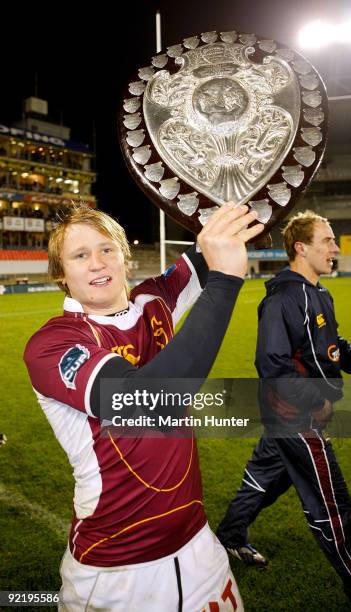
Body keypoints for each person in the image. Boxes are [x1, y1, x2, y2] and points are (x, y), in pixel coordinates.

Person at [24, 201, 263, 612]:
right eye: (80, 256)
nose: (97, 263)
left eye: (107, 249)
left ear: (125, 256)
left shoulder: (155, 297)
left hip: (199, 549)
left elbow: (222, 232)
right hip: (116, 569)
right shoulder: (53, 345)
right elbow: (152, 401)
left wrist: (255, 196)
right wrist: (225, 281)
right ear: (61, 274)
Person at [217, 210, 351, 600]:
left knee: (265, 479)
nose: (335, 247)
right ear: (301, 247)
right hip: (297, 416)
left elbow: (330, 350)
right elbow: (271, 362)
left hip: (289, 415)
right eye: (327, 240)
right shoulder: (285, 296)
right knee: (332, 503)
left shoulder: (320, 293)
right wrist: (317, 401)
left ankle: (229, 536)